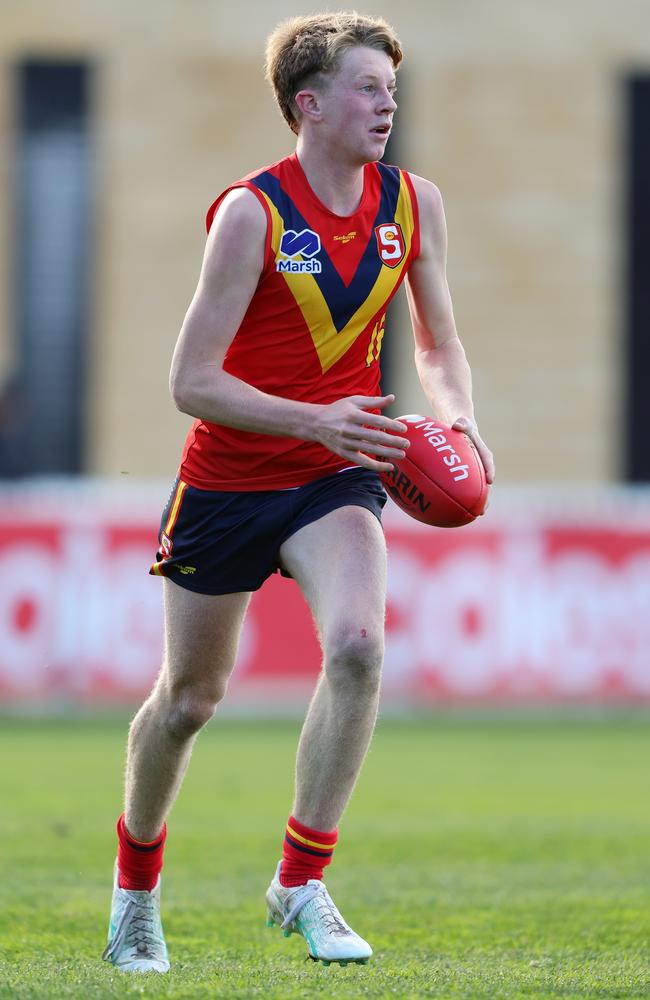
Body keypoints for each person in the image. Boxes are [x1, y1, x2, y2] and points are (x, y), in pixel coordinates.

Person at [102, 11, 494, 974]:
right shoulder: (252, 213)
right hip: (230, 479)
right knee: (190, 700)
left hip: (338, 470)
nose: (387, 101)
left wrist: (460, 418)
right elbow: (190, 382)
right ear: (306, 104)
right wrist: (314, 416)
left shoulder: (414, 204)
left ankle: (301, 882)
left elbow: (439, 343)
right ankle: (136, 897)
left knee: (359, 647)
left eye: (390, 87)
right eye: (367, 86)